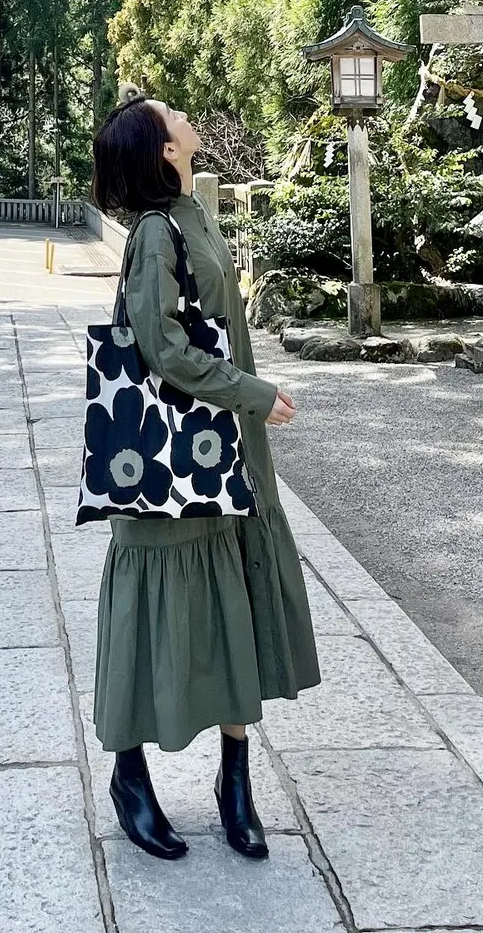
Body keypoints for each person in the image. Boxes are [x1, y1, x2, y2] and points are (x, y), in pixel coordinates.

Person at [88, 82, 321, 861]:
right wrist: (254, 393)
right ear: (164, 148)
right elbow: (162, 349)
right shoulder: (155, 231)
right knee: (152, 609)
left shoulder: (192, 216)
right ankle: (129, 776)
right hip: (173, 465)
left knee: (227, 610)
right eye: (174, 118)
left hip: (217, 458)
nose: (187, 118)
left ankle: (235, 779)